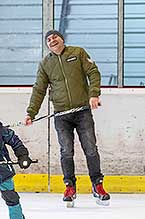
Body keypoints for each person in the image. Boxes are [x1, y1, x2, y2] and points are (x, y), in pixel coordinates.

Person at [24, 30, 110, 208]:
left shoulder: (77, 53)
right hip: (61, 115)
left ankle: (97, 184)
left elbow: (93, 73)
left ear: (62, 39)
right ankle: (69, 186)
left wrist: (94, 94)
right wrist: (31, 113)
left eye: (55, 37)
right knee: (66, 151)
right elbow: (39, 89)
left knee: (90, 148)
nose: (52, 40)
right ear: (47, 45)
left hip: (82, 111)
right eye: (48, 40)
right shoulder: (45, 64)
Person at [0, 122, 34, 219]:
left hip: (2, 171)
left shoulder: (1, 130)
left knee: (11, 197)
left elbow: (14, 140)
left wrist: (22, 155)